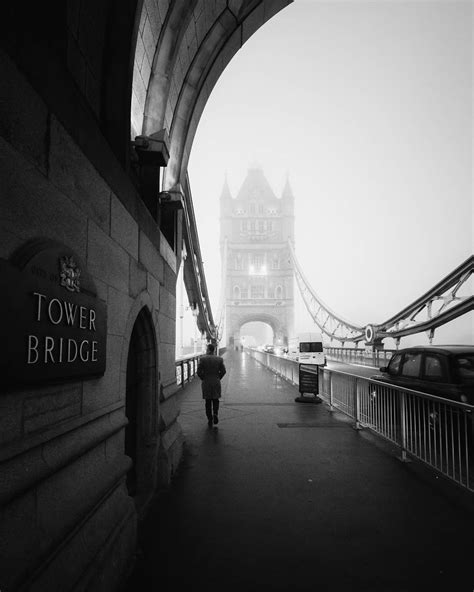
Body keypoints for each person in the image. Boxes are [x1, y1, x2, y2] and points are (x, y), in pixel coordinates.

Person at [197, 343, 226, 427]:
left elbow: (198, 372)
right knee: (216, 400)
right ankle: (215, 413)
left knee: (208, 401)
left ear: (209, 350)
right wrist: (218, 378)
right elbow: (223, 371)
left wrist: (204, 378)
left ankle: (209, 418)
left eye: (206, 349)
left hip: (206, 382)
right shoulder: (219, 359)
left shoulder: (202, 359)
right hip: (216, 382)